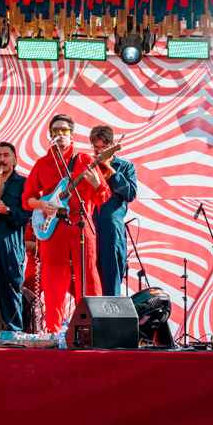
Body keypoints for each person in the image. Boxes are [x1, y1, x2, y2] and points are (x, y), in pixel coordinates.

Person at [22, 113, 109, 333]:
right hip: (52, 229)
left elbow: (103, 197)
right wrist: (42, 204)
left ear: (72, 134)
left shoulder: (86, 161)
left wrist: (97, 184)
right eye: (55, 130)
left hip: (81, 226)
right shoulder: (42, 164)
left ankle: (94, 328)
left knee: (88, 277)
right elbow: (27, 199)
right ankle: (53, 330)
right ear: (50, 134)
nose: (59, 134)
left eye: (64, 130)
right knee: (53, 281)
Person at [0, 141, 30, 337]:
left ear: (15, 160)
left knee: (11, 288)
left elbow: (27, 215)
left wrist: (7, 210)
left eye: (6, 155)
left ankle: (13, 333)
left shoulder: (24, 183)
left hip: (10, 243)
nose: (2, 159)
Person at [90, 124, 137, 296]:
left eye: (103, 148)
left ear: (111, 147)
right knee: (89, 284)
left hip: (113, 231)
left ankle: (111, 321)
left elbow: (130, 194)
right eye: (95, 148)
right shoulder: (87, 165)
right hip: (90, 230)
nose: (99, 152)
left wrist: (111, 171)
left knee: (111, 284)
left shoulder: (125, 167)